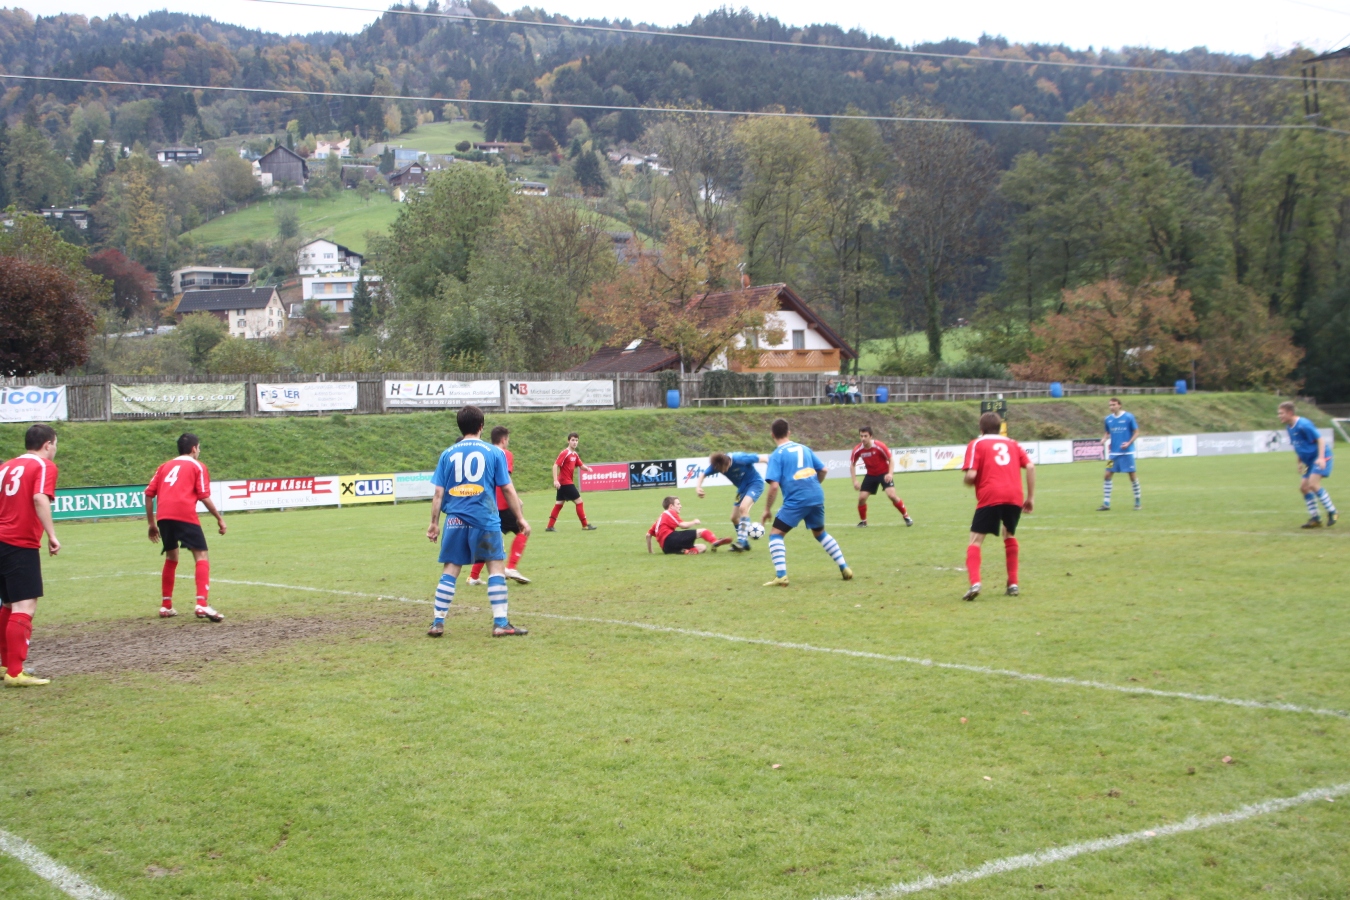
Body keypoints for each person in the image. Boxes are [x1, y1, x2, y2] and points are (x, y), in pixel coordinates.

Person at [426, 405, 530, 638]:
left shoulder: (447, 454)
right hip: (485, 518)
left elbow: (438, 494)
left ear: (460, 427)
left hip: (454, 520)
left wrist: (434, 523)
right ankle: (500, 623)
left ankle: (437, 623)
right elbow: (507, 489)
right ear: (481, 426)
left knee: (451, 569)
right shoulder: (494, 453)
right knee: (495, 566)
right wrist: (520, 518)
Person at [0, 424, 60, 687]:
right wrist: (52, 534)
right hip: (19, 542)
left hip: (2, 539)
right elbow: (39, 498)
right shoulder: (44, 465)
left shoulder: (6, 467)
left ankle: (6, 665)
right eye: (55, 444)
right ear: (47, 444)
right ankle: (15, 673)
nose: (55, 449)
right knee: (24, 606)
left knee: (8, 605)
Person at [760, 418, 853, 586]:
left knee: (775, 534)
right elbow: (823, 470)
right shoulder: (804, 448)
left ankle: (781, 576)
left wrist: (767, 509)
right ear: (789, 433)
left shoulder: (777, 455)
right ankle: (844, 567)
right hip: (816, 495)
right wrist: (813, 487)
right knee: (820, 533)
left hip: (797, 499)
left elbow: (773, 486)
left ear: (772, 435)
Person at [145, 433, 227, 622]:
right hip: (184, 513)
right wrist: (219, 519)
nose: (199, 451)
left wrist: (151, 523)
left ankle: (166, 606)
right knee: (201, 555)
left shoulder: (164, 466)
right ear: (194, 448)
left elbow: (148, 494)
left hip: (164, 516)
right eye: (199, 448)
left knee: (171, 557)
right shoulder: (198, 466)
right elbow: (203, 495)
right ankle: (202, 604)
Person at [960, 411, 1035, 601]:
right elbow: (1030, 466)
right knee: (1008, 535)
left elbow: (971, 475)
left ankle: (975, 583)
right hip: (1014, 495)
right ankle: (1013, 584)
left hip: (991, 495)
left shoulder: (977, 444)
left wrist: (967, 481)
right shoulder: (1012, 443)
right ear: (1000, 427)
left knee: (975, 540)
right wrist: (1030, 497)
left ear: (981, 428)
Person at [467, 426, 531, 585]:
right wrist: (516, 500)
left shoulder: (484, 453)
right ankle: (511, 567)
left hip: (485, 503)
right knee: (524, 530)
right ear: (503, 440)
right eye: (507, 439)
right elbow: (506, 481)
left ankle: (473, 576)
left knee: (487, 540)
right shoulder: (504, 454)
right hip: (502, 503)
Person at [1278, 400, 1337, 528]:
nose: (1279, 416)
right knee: (1304, 488)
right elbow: (1299, 446)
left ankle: (1332, 512)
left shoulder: (1303, 424)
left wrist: (1321, 458)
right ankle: (1315, 518)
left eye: (1281, 413)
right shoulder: (1289, 427)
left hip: (1321, 457)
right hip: (1309, 462)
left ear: (1290, 413)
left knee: (1313, 484)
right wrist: (1299, 462)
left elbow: (1320, 440)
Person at [695, 450, 769, 551]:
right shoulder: (718, 465)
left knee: (743, 508)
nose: (722, 471)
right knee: (734, 518)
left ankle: (741, 541)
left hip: (755, 484)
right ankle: (745, 544)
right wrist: (698, 487)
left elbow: (764, 458)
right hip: (742, 489)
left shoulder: (740, 458)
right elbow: (702, 475)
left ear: (727, 463)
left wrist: (775, 473)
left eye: (723, 469)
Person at [850, 427, 913, 527]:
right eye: (861, 436)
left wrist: (890, 474)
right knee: (862, 498)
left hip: (884, 473)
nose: (863, 438)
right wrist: (854, 481)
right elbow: (852, 464)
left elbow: (891, 460)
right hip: (871, 475)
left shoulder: (879, 446)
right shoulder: (858, 449)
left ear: (871, 436)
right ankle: (863, 522)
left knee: (892, 496)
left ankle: (906, 516)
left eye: (865, 436)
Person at [646, 496, 733, 555]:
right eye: (678, 504)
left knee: (702, 547)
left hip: (667, 549)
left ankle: (686, 551)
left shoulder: (659, 520)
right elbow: (682, 525)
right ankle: (714, 541)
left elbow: (648, 535)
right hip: (670, 539)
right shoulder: (669, 512)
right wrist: (694, 522)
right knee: (702, 531)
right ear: (671, 506)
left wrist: (651, 552)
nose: (680, 506)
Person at [1097, 397, 1141, 511]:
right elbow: (1107, 432)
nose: (1111, 407)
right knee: (1107, 475)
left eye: (1114, 405)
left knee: (1132, 476)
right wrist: (1104, 439)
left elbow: (1136, 432)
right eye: (1110, 405)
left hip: (1127, 453)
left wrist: (1129, 443)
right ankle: (1106, 504)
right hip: (1113, 454)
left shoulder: (1128, 417)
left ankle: (1138, 502)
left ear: (1119, 405)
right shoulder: (1108, 419)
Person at [547, 432, 597, 532]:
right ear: (568, 441)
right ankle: (585, 525)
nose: (575, 442)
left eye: (576, 440)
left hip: (563, 483)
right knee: (579, 502)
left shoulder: (575, 454)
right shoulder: (565, 453)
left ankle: (550, 526)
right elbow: (555, 465)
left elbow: (580, 465)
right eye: (573, 440)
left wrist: (587, 469)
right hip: (566, 483)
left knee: (559, 504)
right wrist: (555, 480)